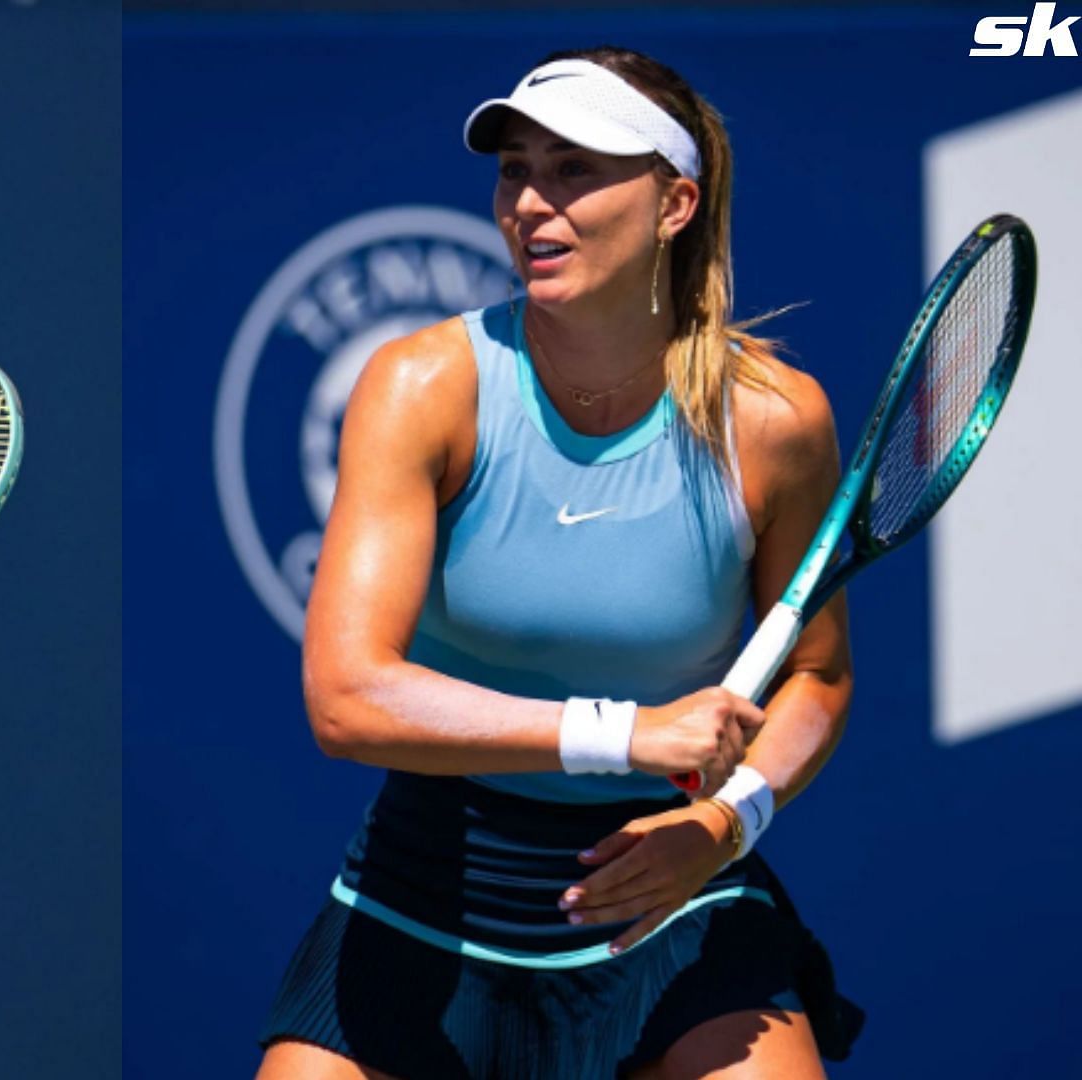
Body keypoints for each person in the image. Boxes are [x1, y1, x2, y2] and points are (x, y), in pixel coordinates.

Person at [256, 47, 864, 1079]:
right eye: (514, 171)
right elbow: (345, 698)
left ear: (674, 205)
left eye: (575, 170)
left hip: (677, 891)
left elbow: (817, 673)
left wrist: (726, 820)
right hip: (427, 894)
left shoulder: (774, 422)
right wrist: (627, 734)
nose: (531, 203)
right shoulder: (421, 386)